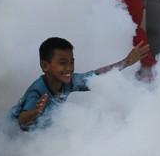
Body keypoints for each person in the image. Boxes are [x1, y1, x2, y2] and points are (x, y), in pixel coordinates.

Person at [11, 37, 149, 130]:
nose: (69, 68)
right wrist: (35, 112)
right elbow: (21, 120)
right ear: (45, 65)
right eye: (62, 63)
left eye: (72, 62)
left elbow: (95, 76)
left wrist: (126, 62)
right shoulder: (37, 90)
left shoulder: (69, 82)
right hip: (16, 138)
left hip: (40, 135)